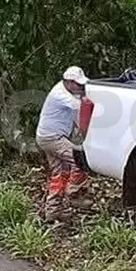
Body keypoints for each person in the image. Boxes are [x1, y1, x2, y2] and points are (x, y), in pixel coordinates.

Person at [36, 66, 92, 218]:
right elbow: (81, 107)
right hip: (52, 138)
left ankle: (53, 210)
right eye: (78, 84)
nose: (81, 87)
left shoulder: (68, 92)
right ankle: (74, 194)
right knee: (80, 160)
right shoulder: (60, 94)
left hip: (48, 137)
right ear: (68, 82)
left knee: (59, 174)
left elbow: (77, 118)